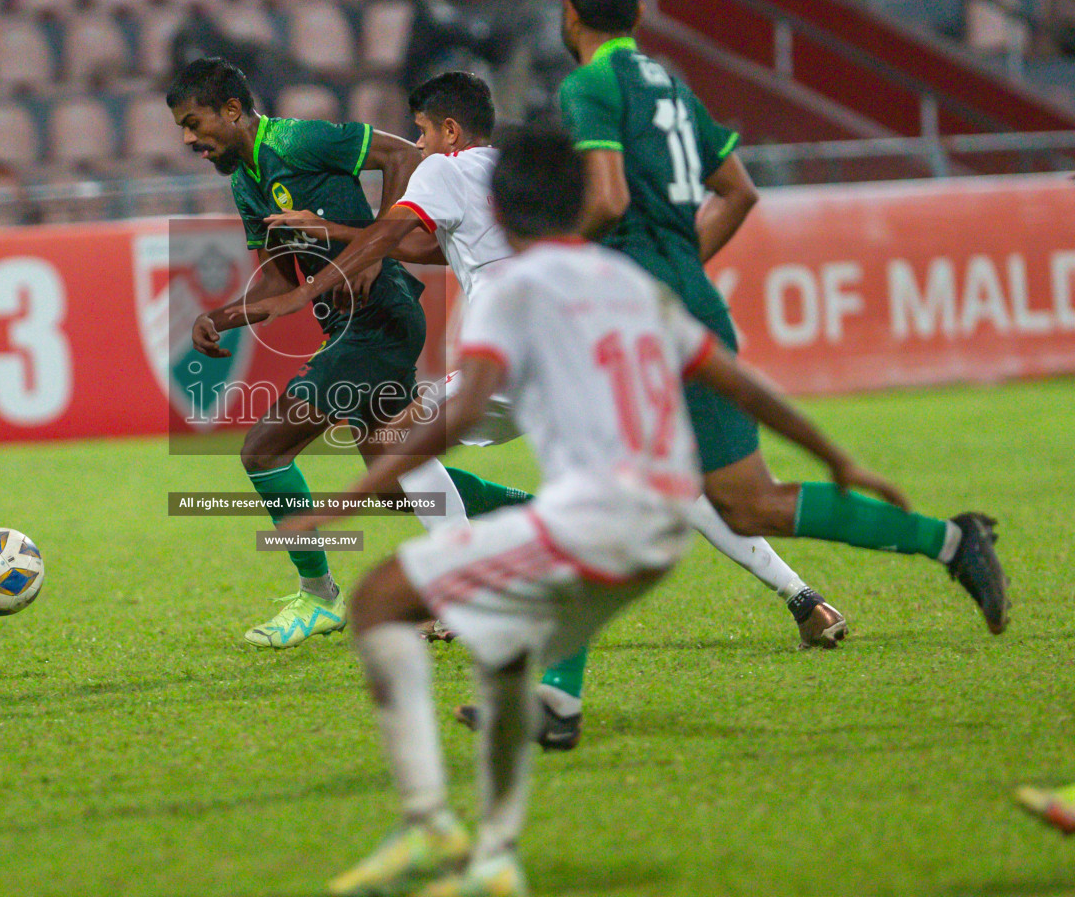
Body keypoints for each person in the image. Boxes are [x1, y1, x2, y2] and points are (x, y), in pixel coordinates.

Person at [280, 125, 1008, 897]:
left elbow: (456, 419)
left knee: (379, 601)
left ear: (496, 203)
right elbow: (731, 377)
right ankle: (497, 848)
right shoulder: (628, 282)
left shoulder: (512, 290)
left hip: (589, 526)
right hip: (658, 532)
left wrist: (346, 498)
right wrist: (835, 457)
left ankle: (429, 819)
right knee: (507, 662)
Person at [241, 70, 834, 752]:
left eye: (426, 131)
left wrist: (319, 276)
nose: (421, 145)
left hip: (516, 350)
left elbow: (396, 238)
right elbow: (427, 246)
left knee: (400, 442)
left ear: (450, 131)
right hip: (586, 339)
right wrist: (340, 229)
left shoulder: (445, 167)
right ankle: (802, 598)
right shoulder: (518, 172)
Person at [556, 0, 1008, 637]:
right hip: (686, 306)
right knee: (748, 504)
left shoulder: (589, 85)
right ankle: (949, 542)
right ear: (640, 9)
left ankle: (546, 692)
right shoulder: (669, 84)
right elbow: (737, 191)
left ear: (568, 14)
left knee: (599, 484)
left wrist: (552, 260)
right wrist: (677, 264)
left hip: (644, 321)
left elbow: (609, 198)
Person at [168, 57, 518, 649]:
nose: (188, 138)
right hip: (346, 327)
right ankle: (527, 519)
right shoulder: (245, 182)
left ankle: (318, 597)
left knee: (263, 450)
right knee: (393, 480)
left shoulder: (297, 138)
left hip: (379, 317)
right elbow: (280, 285)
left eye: (194, 122)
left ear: (232, 111)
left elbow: (403, 156)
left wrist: (381, 248)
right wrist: (221, 317)